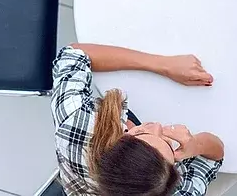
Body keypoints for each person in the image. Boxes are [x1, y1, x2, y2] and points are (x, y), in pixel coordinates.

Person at [52, 43, 224, 195]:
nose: (157, 125)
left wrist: (163, 64)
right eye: (168, 147)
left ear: (117, 143)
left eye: (141, 133)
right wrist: (195, 145)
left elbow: (74, 54)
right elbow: (214, 157)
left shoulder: (74, 126)